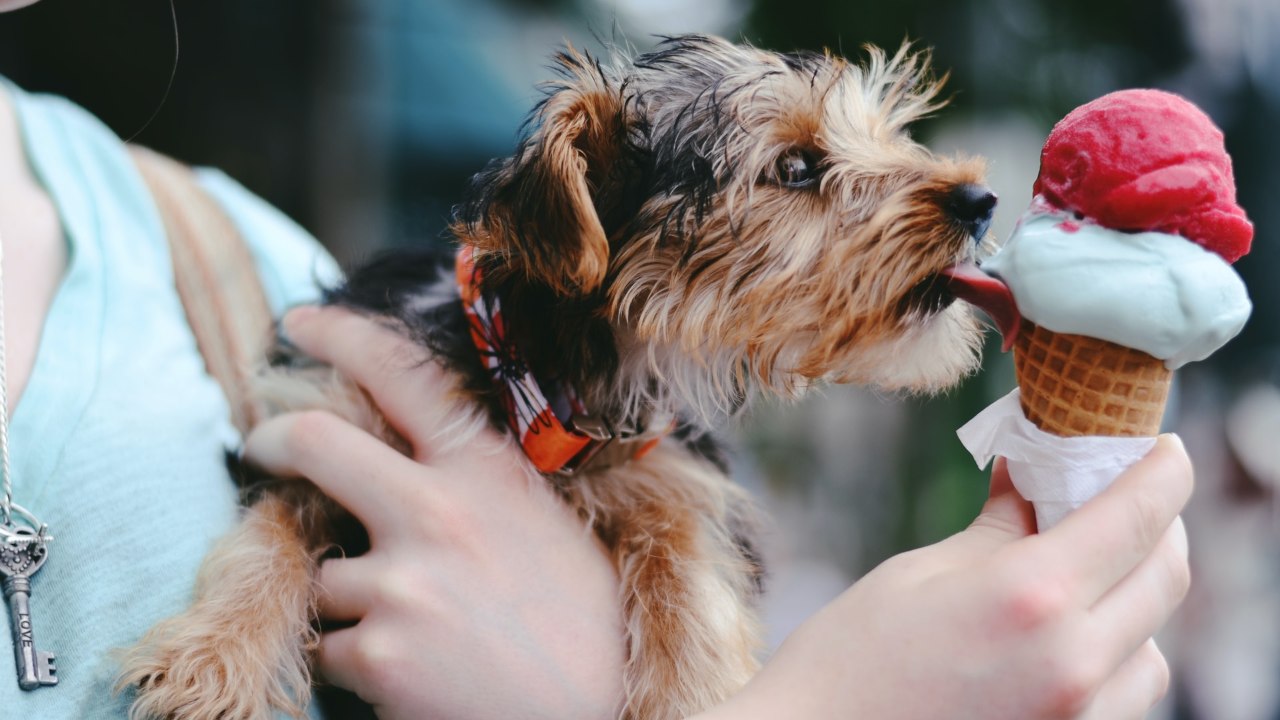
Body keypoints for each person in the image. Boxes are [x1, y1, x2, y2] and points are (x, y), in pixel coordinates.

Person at [1, 0, 1190, 716]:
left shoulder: (234, 263)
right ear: (589, 218)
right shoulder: (348, 336)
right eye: (795, 172)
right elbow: (288, 497)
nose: (955, 192)